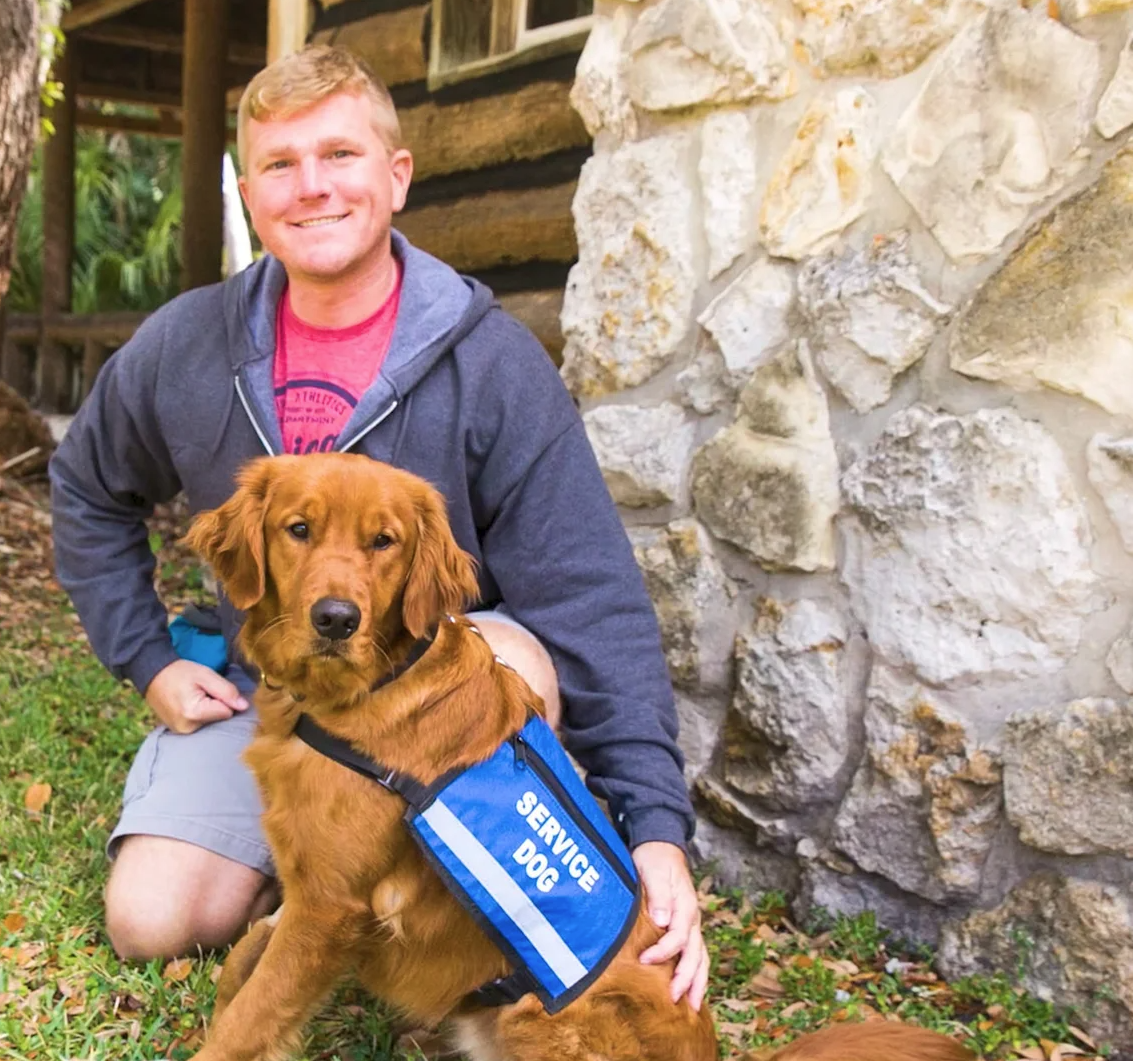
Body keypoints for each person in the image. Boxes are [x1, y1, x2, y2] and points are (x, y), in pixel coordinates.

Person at [50, 44, 709, 1010]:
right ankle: (319, 889)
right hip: (273, 687)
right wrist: (144, 657)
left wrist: (655, 829)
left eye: (340, 156)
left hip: (436, 675)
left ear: (396, 176)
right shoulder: (188, 344)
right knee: (152, 918)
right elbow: (85, 484)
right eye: (280, 165)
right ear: (248, 192)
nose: (311, 187)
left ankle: (397, 895)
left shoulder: (491, 363)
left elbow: (589, 595)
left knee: (511, 665)